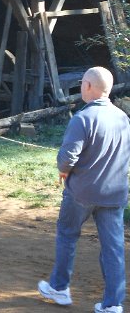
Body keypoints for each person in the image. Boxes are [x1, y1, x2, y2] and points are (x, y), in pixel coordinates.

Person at [38, 66, 130, 313]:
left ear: (88, 86)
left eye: (82, 83)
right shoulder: (123, 118)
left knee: (67, 235)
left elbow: (68, 157)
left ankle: (59, 287)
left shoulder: (83, 118)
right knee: (113, 248)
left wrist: (63, 170)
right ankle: (113, 304)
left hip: (81, 192)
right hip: (114, 194)